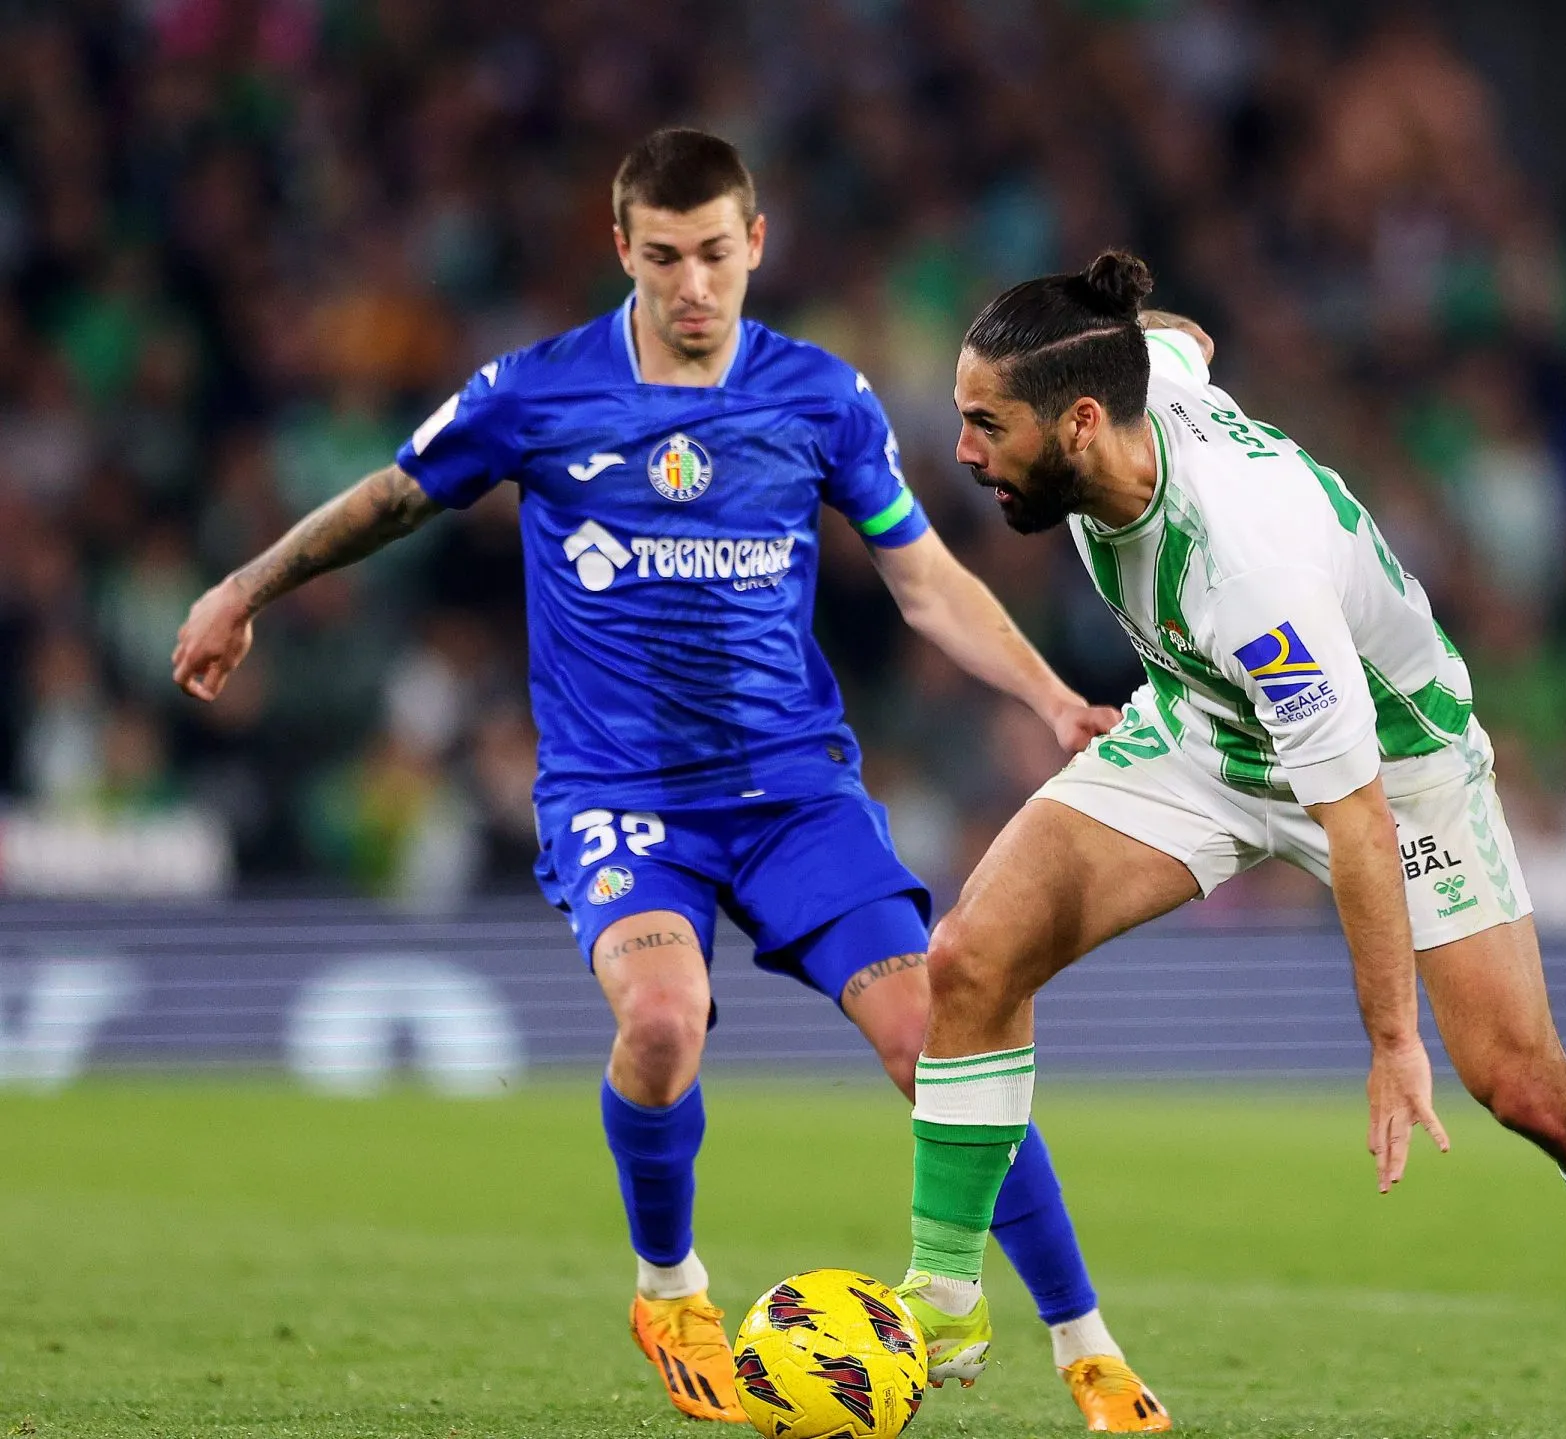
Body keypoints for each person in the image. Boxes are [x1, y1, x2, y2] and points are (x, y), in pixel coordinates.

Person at [170, 128, 1174, 1434]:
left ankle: (1086, 1346)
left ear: (756, 242)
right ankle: (671, 1285)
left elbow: (923, 579)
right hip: (620, 795)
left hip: (792, 795)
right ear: (623, 250)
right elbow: (394, 497)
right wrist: (246, 588)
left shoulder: (819, 397)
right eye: (663, 257)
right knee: (659, 1020)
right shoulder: (536, 393)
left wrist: (1049, 695)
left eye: (715, 253)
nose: (693, 285)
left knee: (942, 1043)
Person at [883, 249, 1566, 1439]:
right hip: (1204, 727)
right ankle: (941, 1301)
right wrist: (1123, 325)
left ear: (1082, 422)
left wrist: (1394, 1039)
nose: (966, 452)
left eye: (986, 423)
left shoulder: (1250, 568)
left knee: (1522, 1084)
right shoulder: (1140, 378)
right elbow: (1182, 336)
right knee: (971, 957)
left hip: (1394, 777)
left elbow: (1350, 815)